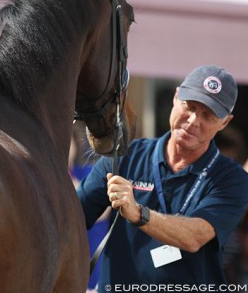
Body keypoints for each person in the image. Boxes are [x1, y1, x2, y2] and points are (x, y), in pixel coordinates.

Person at [77, 65, 248, 288]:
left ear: (224, 122)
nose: (194, 120)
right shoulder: (125, 157)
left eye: (208, 115)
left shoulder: (232, 179)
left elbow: (195, 237)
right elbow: (73, 216)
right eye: (190, 106)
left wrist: (138, 213)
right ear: (176, 97)